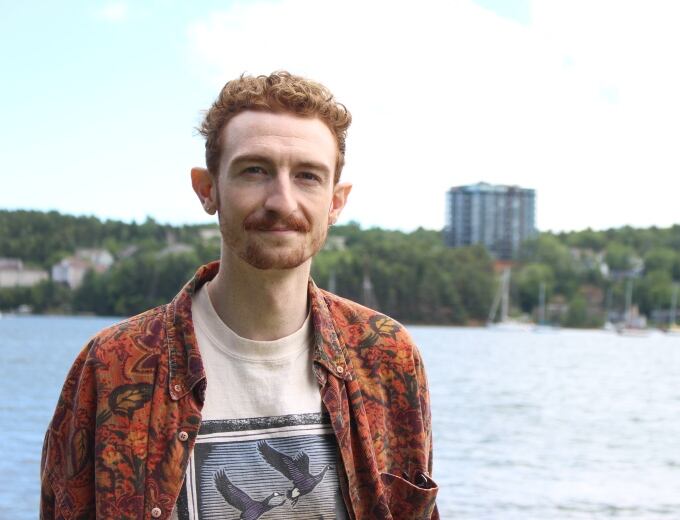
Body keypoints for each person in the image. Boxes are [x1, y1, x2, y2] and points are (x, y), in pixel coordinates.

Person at [40, 71, 438, 520]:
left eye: (307, 176)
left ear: (336, 201)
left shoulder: (387, 356)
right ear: (207, 189)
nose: (281, 201)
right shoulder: (114, 366)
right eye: (255, 171)